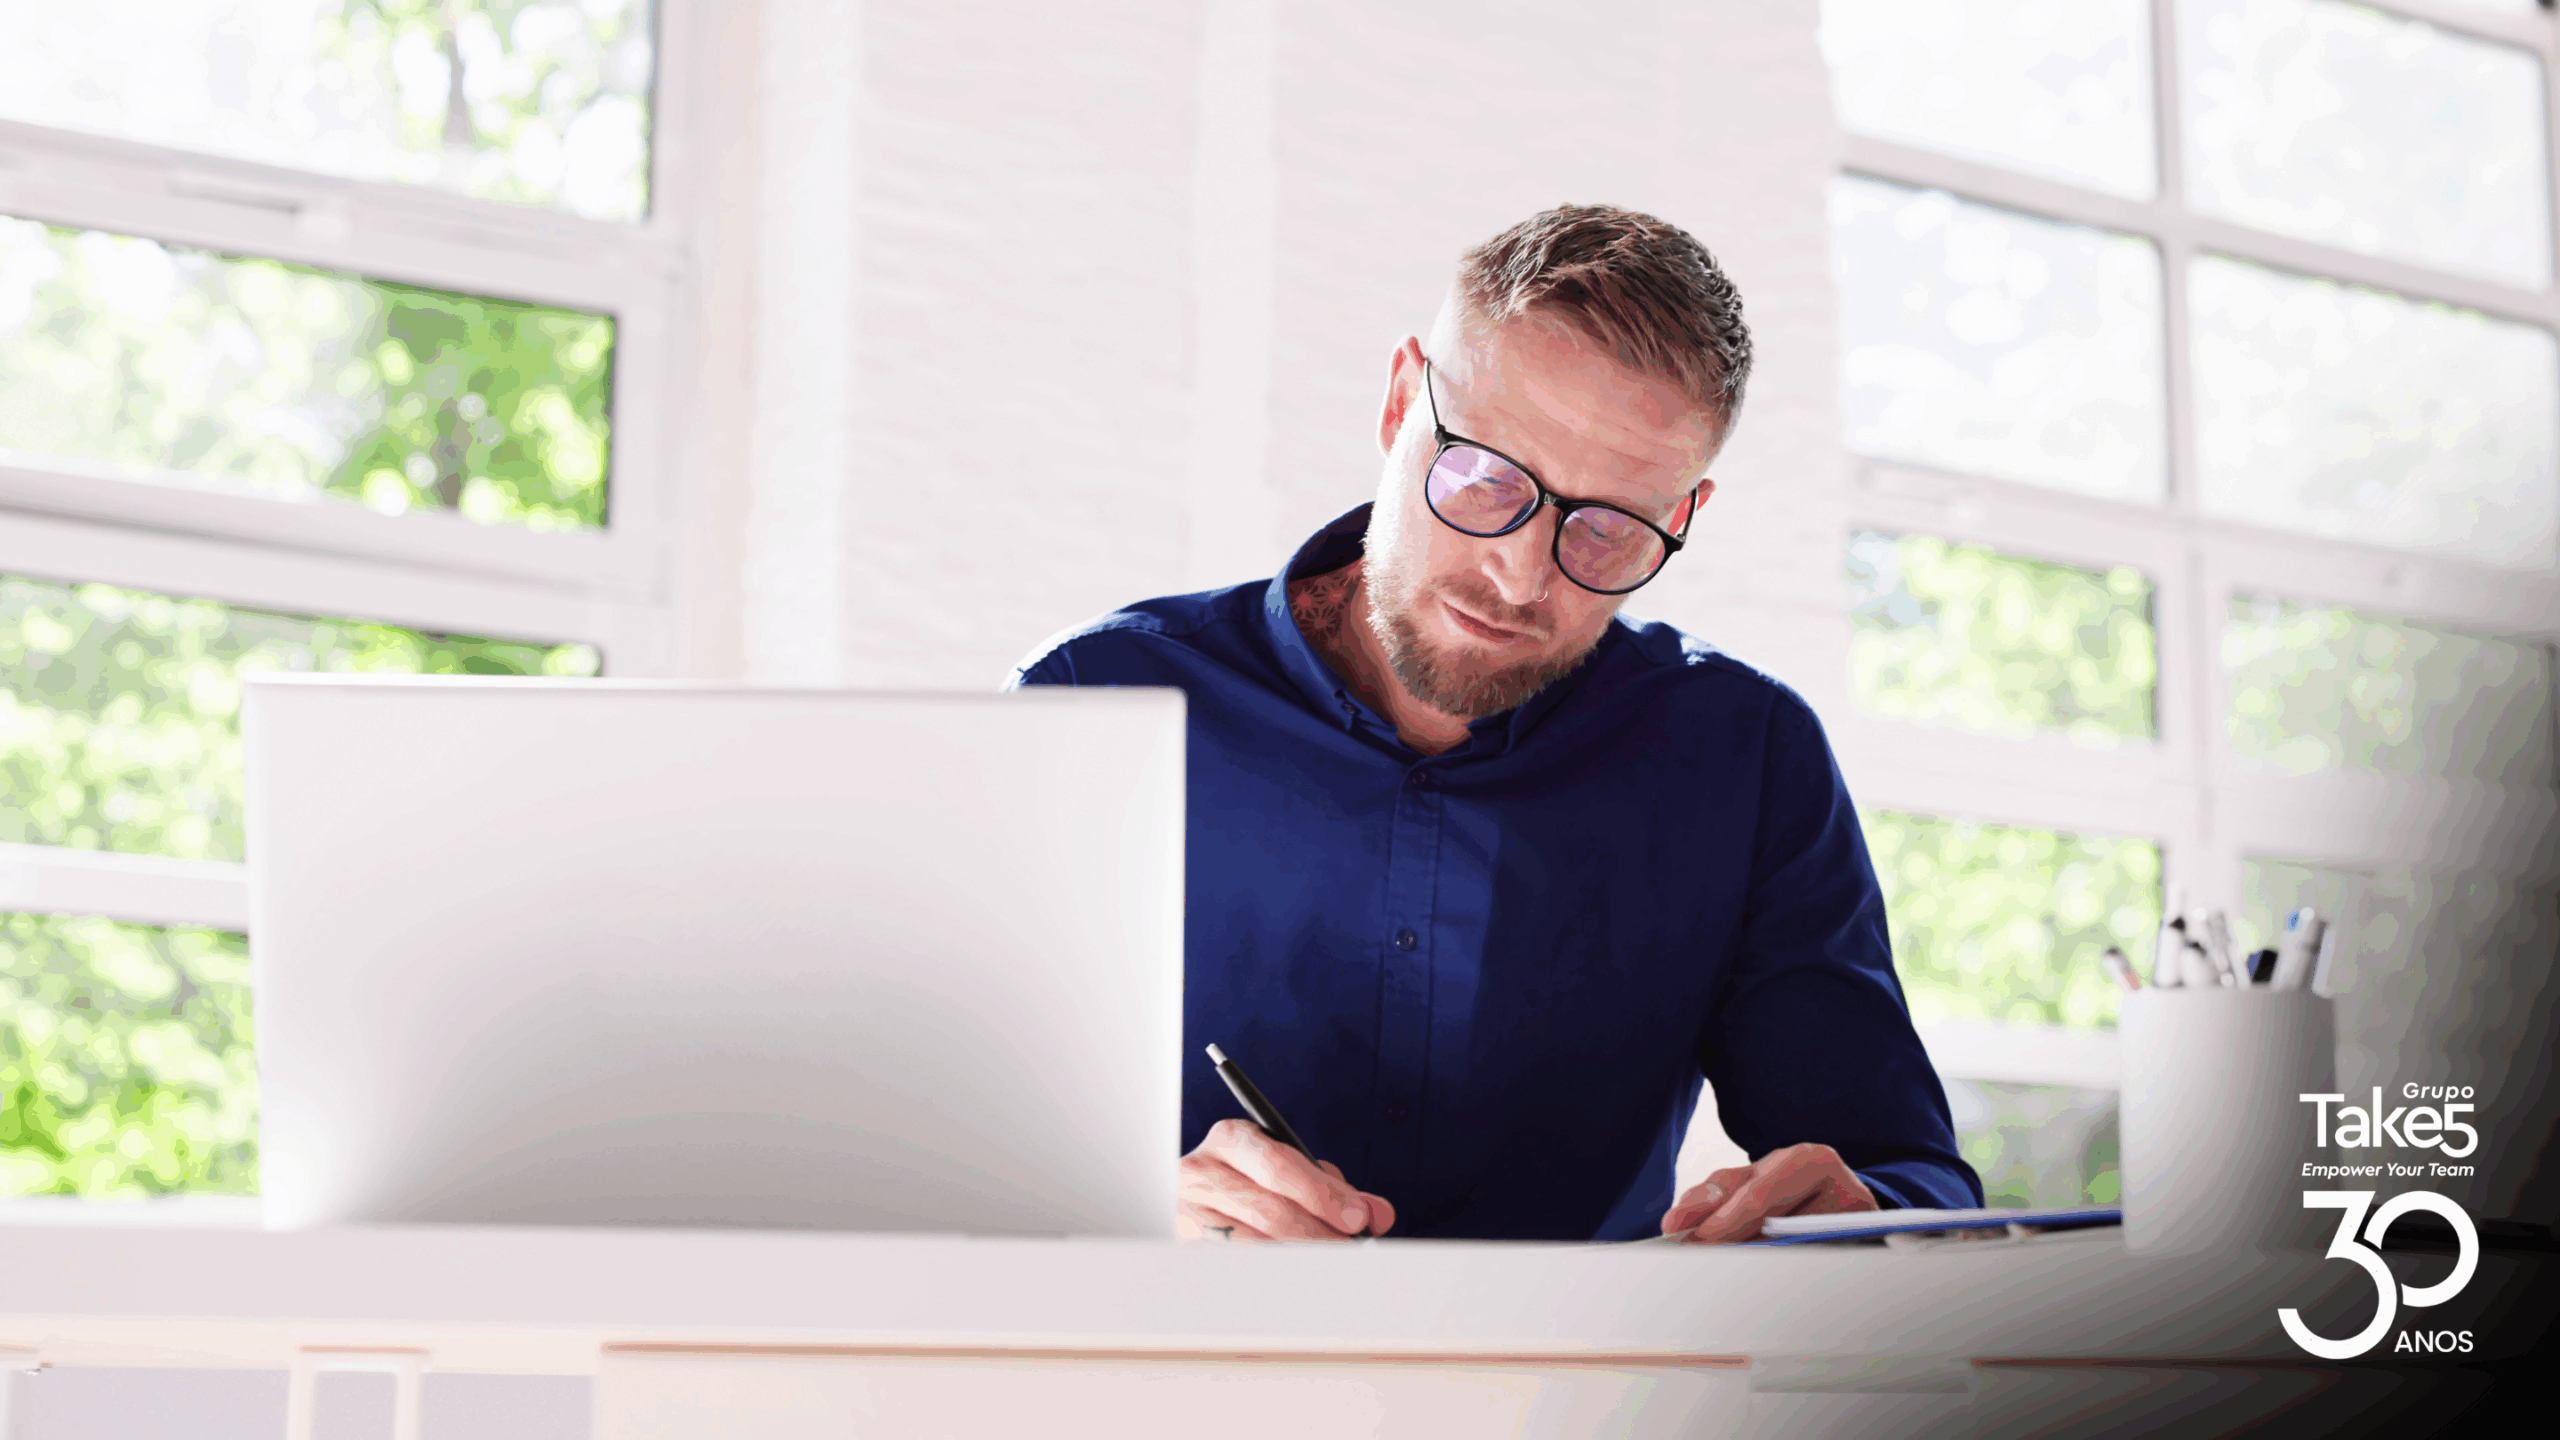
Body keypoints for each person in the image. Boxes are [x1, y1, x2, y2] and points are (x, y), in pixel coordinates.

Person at [1009, 205, 1980, 1242]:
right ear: (1399, 404)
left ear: (1681, 518)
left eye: (1607, 529)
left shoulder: (1746, 762)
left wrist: (1869, 1213)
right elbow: (943, 1164)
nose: (1519, 577)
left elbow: (1910, 1179)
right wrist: (1127, 1205)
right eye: (1484, 478)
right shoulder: (1097, 698)